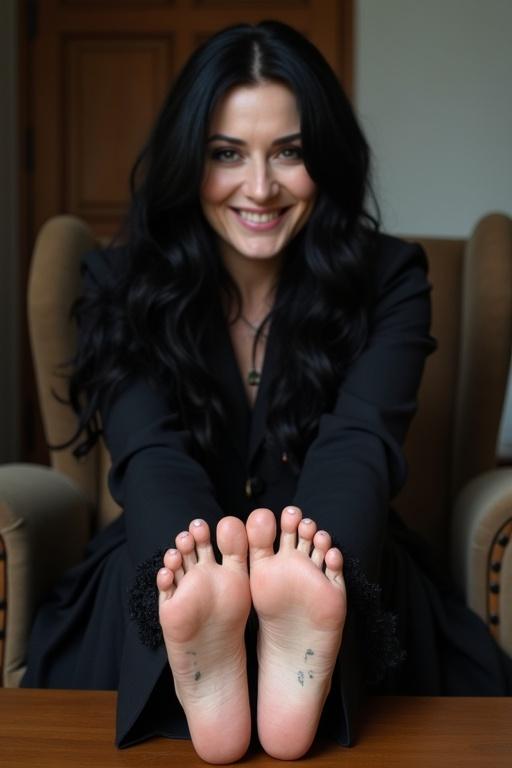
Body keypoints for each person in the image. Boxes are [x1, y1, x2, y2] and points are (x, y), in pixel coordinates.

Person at [22, 19, 512, 764]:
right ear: (191, 160)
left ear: (328, 156)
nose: (260, 188)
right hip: (170, 561)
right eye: (227, 154)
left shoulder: (391, 278)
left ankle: (299, 649)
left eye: (290, 152)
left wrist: (313, 565)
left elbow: (361, 443)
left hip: (338, 555)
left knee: (334, 569)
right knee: (167, 571)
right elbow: (149, 452)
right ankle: (209, 649)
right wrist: (195, 570)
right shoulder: (120, 283)